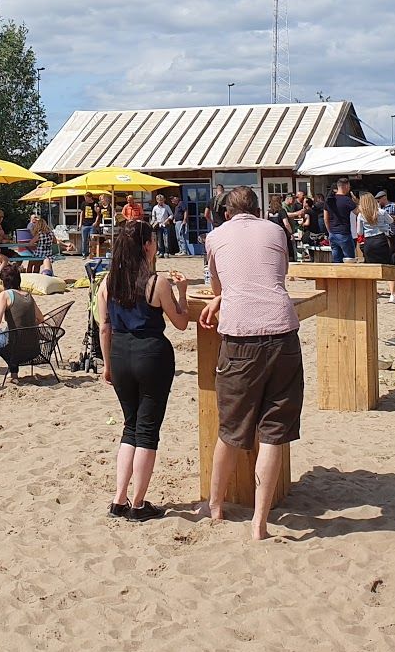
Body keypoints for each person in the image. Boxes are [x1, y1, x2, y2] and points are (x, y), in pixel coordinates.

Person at [197, 186, 304, 541]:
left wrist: (221, 298)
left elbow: (219, 284)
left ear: (226, 212)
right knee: (274, 432)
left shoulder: (214, 237)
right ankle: (259, 522)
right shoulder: (275, 231)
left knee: (230, 427)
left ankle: (215, 504)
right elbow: (276, 274)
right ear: (258, 210)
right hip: (282, 331)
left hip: (241, 336)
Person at [101, 218, 189, 521]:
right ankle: (138, 504)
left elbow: (104, 327)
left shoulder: (108, 281)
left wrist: (108, 365)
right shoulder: (156, 282)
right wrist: (183, 293)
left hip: (120, 352)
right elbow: (180, 322)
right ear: (146, 246)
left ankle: (119, 498)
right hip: (150, 353)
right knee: (148, 431)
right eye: (153, 241)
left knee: (130, 426)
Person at [0, 260, 41, 381]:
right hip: (33, 349)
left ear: (4, 282)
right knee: (9, 331)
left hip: (14, 350)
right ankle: (13, 373)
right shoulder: (28, 295)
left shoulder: (5, 295)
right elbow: (41, 318)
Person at [354, 191, 393, 263]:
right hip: (381, 239)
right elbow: (391, 221)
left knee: (371, 265)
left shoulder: (361, 215)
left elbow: (359, 232)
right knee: (385, 263)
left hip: (369, 242)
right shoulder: (382, 212)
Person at [149, 193, 174, 257]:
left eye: (162, 200)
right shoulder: (155, 208)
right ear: (157, 200)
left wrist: (167, 220)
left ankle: (167, 252)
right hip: (158, 224)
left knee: (166, 238)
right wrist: (153, 222)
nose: (161, 201)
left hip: (165, 224)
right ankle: (161, 251)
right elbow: (153, 216)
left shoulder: (166, 206)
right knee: (159, 239)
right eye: (159, 200)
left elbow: (171, 215)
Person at [173, 191, 193, 257]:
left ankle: (184, 250)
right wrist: (174, 219)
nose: (172, 200)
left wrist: (184, 219)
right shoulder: (176, 206)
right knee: (178, 236)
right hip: (176, 222)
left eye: (173, 198)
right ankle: (181, 250)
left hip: (180, 221)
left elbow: (185, 211)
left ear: (177, 198)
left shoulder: (181, 203)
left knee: (181, 235)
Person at [79, 194, 96, 262]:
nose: (86, 199)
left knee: (92, 239)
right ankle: (84, 254)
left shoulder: (95, 203)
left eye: (86, 198)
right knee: (84, 240)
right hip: (84, 224)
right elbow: (82, 213)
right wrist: (80, 223)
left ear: (90, 197)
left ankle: (92, 253)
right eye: (85, 198)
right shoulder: (83, 203)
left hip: (92, 224)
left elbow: (97, 213)